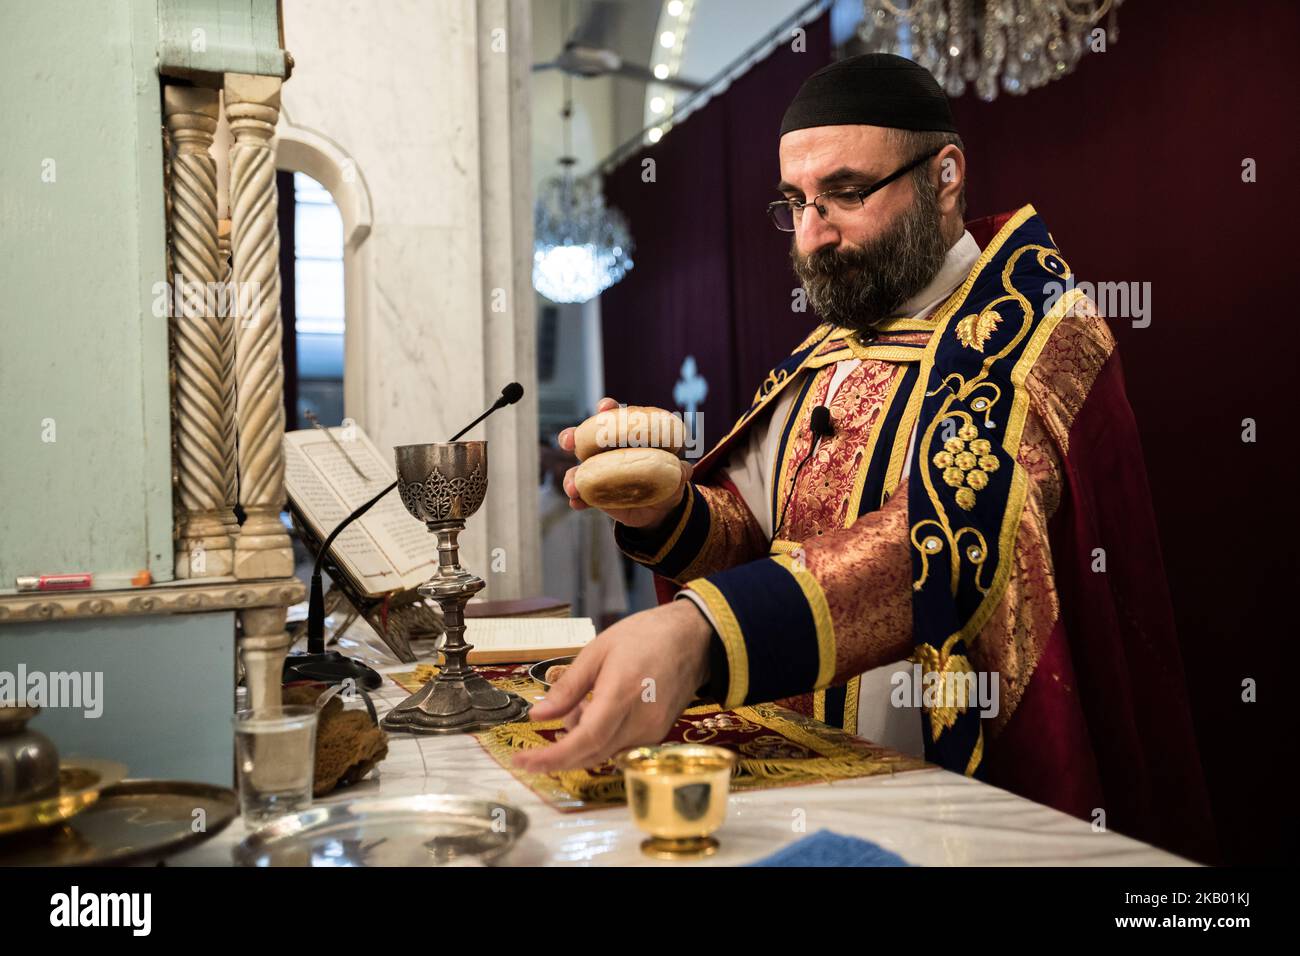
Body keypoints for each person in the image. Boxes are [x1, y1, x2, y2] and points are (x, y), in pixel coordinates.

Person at [515, 53, 1213, 860]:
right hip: (803, 767)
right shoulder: (830, 348)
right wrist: (666, 511)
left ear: (946, 175)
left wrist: (702, 631)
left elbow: (951, 530)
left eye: (847, 193)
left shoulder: (1041, 329)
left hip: (951, 778)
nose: (814, 233)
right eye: (795, 203)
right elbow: (756, 530)